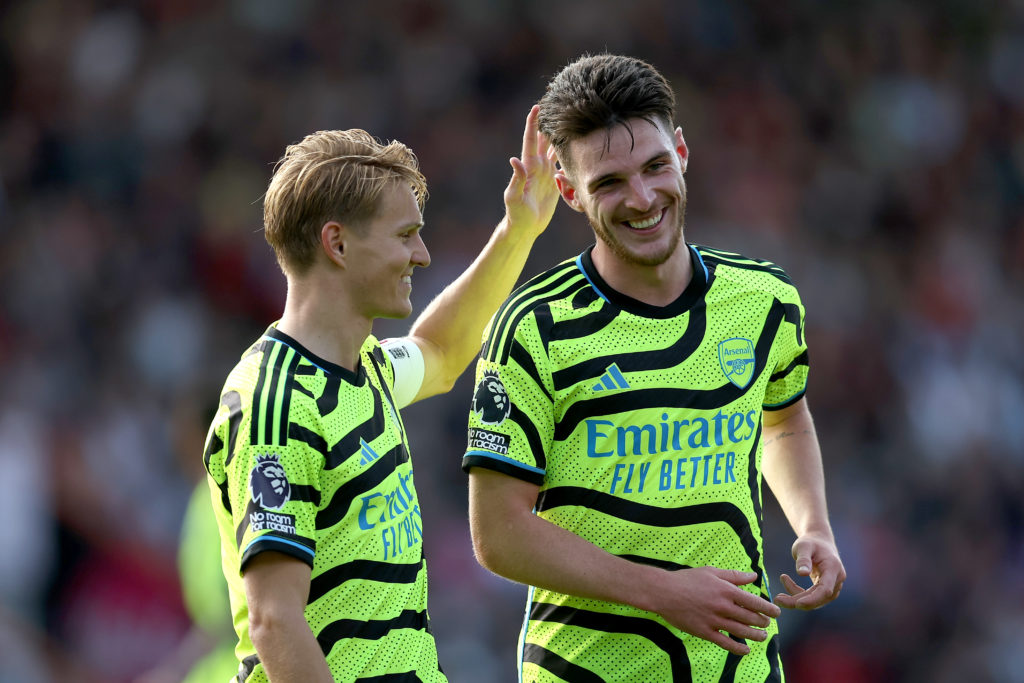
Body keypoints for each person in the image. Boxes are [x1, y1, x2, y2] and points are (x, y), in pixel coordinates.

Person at [463, 54, 846, 682]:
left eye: (655, 166)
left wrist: (814, 526)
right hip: (584, 669)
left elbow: (784, 420)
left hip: (740, 670)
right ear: (568, 191)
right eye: (609, 182)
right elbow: (498, 534)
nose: (642, 199)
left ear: (683, 154)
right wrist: (664, 592)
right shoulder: (533, 329)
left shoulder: (765, 300)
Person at [203, 107, 557, 682]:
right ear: (337, 244)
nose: (422, 255)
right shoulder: (278, 405)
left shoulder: (366, 367)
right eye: (405, 236)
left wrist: (519, 229)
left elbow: (440, 355)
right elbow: (274, 620)